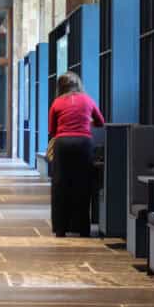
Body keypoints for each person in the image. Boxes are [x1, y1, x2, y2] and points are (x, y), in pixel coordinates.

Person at [48, 71, 105, 237]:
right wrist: (86, 121)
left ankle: (60, 229)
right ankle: (83, 228)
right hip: (83, 143)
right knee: (83, 184)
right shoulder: (88, 100)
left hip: (63, 143)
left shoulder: (57, 102)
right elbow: (100, 122)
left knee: (60, 185)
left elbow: (52, 129)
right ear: (78, 84)